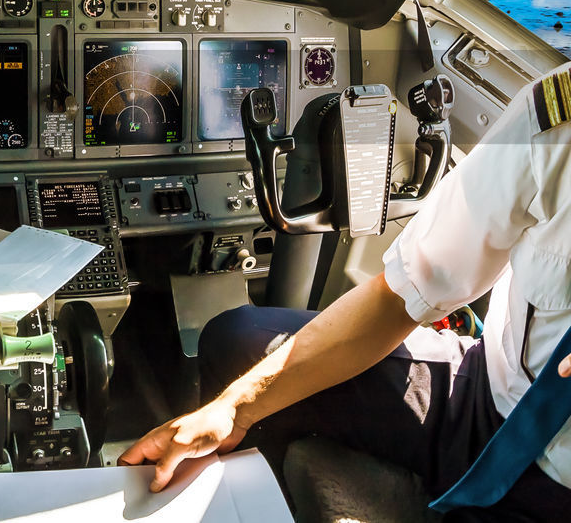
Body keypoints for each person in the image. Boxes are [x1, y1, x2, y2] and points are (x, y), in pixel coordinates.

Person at [119, 65, 571, 520]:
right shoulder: (554, 122)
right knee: (239, 340)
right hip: (485, 398)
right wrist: (233, 410)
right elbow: (402, 294)